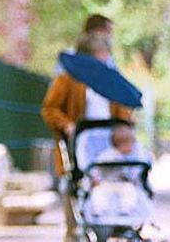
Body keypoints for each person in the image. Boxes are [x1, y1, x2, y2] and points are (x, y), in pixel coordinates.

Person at [41, 32, 133, 173]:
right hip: (82, 137)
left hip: (110, 136)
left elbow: (122, 109)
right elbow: (50, 109)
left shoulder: (111, 81)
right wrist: (67, 125)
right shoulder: (67, 80)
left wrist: (123, 124)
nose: (105, 60)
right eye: (101, 56)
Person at [88, 124, 153, 221]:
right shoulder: (107, 155)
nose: (132, 147)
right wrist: (95, 178)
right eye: (129, 144)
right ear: (119, 144)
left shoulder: (133, 156)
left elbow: (136, 171)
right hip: (106, 182)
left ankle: (126, 210)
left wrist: (135, 179)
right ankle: (99, 211)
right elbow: (96, 168)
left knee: (130, 191)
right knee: (99, 193)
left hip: (123, 183)